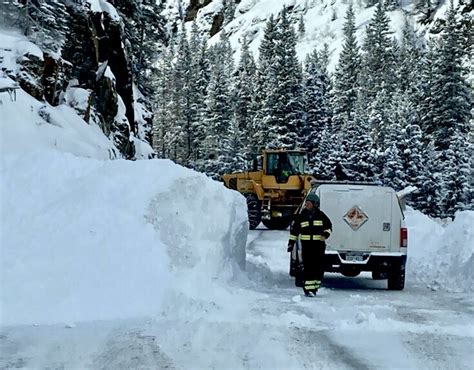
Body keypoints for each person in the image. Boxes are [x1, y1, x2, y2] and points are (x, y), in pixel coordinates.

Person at [287, 193, 332, 297]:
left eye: (308, 203)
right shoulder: (302, 216)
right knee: (308, 267)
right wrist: (291, 243)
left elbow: (329, 227)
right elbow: (295, 231)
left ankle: (315, 287)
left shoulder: (321, 216)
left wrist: (325, 235)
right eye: (306, 203)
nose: (306, 205)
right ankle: (308, 289)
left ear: (315, 204)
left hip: (319, 246)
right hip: (307, 246)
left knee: (318, 267)